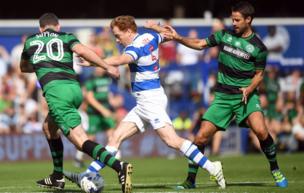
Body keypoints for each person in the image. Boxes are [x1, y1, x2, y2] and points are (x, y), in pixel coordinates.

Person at [65, 15, 226, 190]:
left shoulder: (135, 47)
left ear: (128, 31)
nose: (117, 40)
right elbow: (167, 34)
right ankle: (88, 174)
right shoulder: (150, 37)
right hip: (146, 101)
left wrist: (94, 63)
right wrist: (155, 27)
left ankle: (212, 167)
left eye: (118, 35)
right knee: (115, 137)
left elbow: (120, 60)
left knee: (172, 140)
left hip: (150, 100)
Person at [146, 1, 288, 189]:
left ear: (248, 19)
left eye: (238, 20)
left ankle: (275, 169)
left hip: (246, 96)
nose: (234, 23)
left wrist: (249, 88)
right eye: (233, 19)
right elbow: (199, 44)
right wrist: (178, 37)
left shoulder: (259, 47)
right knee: (200, 138)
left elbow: (259, 75)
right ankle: (190, 181)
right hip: (223, 97)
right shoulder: (224, 35)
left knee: (261, 131)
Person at [20, 13, 132, 193]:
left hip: (57, 92)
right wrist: (106, 66)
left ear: (41, 28)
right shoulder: (66, 36)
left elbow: (24, 68)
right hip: (74, 90)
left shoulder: (31, 41)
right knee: (49, 128)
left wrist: (41, 63)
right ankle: (57, 177)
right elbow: (82, 50)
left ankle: (120, 167)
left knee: (81, 141)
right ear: (57, 26)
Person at [74, 67, 119, 168]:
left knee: (111, 132)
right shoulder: (90, 79)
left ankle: (116, 157)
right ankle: (78, 158)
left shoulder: (107, 78)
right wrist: (103, 110)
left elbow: (108, 95)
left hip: (106, 109)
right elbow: (90, 98)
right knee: (90, 137)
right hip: (94, 112)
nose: (101, 69)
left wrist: (113, 105)